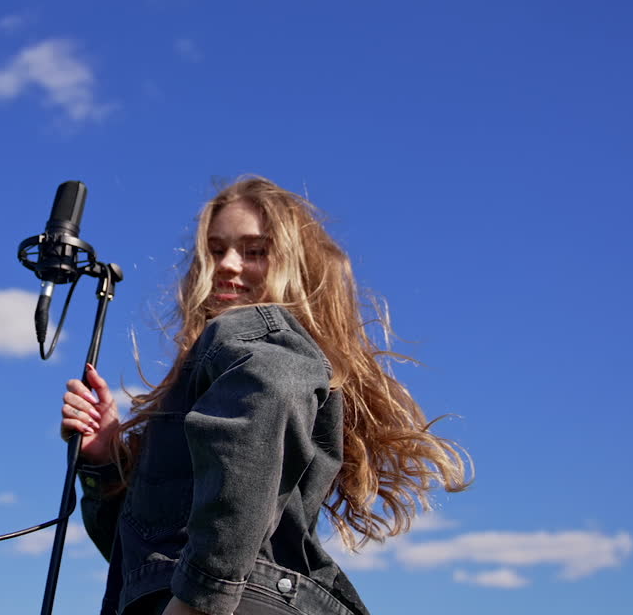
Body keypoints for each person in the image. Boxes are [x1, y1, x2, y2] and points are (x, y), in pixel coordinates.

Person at [59, 177, 470, 615]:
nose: (227, 265)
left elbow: (268, 388)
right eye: (215, 251)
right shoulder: (226, 365)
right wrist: (103, 462)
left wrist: (201, 600)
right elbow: (145, 560)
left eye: (254, 251)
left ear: (297, 266)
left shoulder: (252, 331)